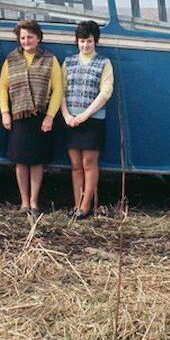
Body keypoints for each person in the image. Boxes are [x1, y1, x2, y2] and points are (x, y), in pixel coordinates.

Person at [0, 20, 63, 215]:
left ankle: (34, 203)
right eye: (23, 37)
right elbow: (2, 87)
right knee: (20, 160)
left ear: (38, 38)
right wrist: (5, 112)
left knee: (36, 161)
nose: (26, 41)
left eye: (30, 37)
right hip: (18, 116)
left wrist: (50, 116)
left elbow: (58, 89)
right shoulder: (11, 59)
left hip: (40, 117)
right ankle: (24, 202)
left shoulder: (50, 60)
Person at [60, 20, 113, 219]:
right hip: (71, 121)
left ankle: (85, 206)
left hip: (93, 120)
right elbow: (61, 90)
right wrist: (66, 115)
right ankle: (76, 204)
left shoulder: (104, 63)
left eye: (89, 41)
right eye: (82, 41)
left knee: (89, 163)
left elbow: (106, 91)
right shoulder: (69, 62)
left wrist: (85, 114)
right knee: (75, 164)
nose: (85, 45)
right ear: (77, 42)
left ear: (95, 41)